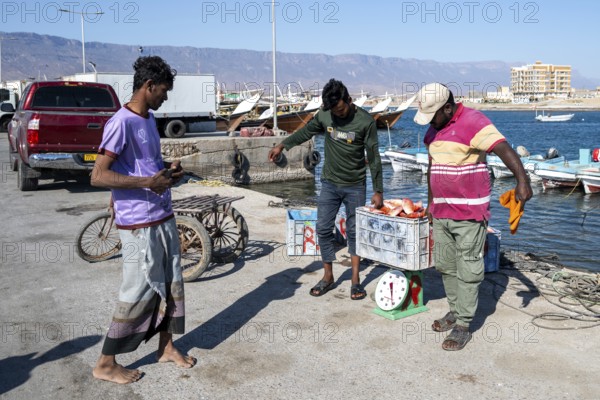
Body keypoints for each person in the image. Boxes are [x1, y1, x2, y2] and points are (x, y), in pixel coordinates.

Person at [90, 56, 196, 384]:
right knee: (136, 290)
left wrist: (165, 169)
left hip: (162, 215)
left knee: (171, 285)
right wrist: (147, 183)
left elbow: (141, 163)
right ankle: (106, 363)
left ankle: (166, 346)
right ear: (148, 86)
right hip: (139, 225)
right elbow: (98, 175)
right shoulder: (120, 122)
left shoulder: (148, 119)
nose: (166, 97)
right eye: (163, 91)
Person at [413, 83, 533, 351]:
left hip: (469, 212)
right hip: (442, 211)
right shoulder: (435, 128)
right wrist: (431, 203)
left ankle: (464, 324)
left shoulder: (473, 121)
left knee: (468, 267)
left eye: (433, 115)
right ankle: (455, 311)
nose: (430, 122)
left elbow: (504, 149)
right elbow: (433, 166)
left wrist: (522, 182)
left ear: (447, 107)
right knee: (445, 265)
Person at [268, 78, 384, 300]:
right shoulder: (325, 115)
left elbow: (374, 157)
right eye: (334, 111)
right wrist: (283, 145)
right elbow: (306, 132)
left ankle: (356, 280)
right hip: (329, 183)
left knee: (354, 232)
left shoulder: (365, 122)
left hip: (355, 185)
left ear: (349, 100)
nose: (338, 115)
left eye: (341, 109)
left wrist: (379, 190)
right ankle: (328, 276)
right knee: (322, 228)